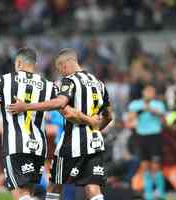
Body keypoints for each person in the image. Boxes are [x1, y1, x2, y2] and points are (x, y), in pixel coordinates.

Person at [0, 48, 95, 200]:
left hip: (15, 146)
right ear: (34, 65)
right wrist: (91, 122)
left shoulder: (4, 81)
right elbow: (69, 114)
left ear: (18, 63)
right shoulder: (49, 86)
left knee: (22, 195)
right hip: (38, 149)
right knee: (30, 194)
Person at [8, 48, 113, 200]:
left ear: (65, 65)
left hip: (72, 142)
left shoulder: (69, 81)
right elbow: (108, 116)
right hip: (95, 141)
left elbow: (62, 104)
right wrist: (95, 128)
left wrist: (26, 106)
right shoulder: (99, 83)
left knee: (54, 185)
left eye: (60, 69)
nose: (61, 74)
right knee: (93, 187)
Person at [128, 84, 166, 200]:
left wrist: (152, 110)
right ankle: (148, 194)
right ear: (143, 92)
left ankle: (160, 193)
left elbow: (164, 120)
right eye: (148, 91)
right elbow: (130, 118)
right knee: (145, 166)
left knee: (156, 166)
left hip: (155, 136)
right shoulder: (135, 104)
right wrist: (141, 110)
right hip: (141, 137)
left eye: (152, 91)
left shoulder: (159, 105)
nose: (150, 93)